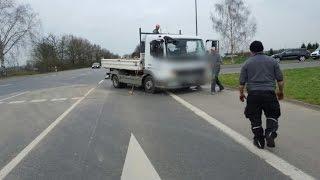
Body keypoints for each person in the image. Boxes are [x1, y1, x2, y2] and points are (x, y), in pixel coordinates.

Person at [239, 41, 284, 149]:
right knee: (272, 114)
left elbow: (241, 84)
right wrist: (280, 92)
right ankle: (270, 133)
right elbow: (280, 81)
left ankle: (259, 140)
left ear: (251, 51)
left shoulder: (246, 63)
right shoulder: (273, 61)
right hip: (269, 94)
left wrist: (241, 94)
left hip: (253, 95)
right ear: (262, 49)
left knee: (254, 117)